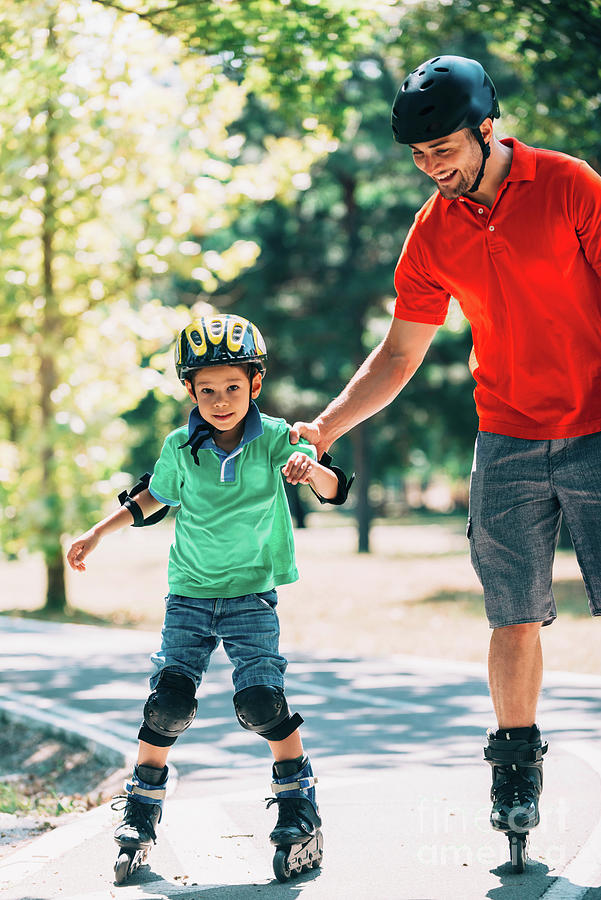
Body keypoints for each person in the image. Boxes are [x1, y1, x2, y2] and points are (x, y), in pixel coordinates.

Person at [291, 54, 601, 850]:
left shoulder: (569, 186)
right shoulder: (432, 232)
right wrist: (325, 427)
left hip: (597, 428)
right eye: (420, 158)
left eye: (445, 152)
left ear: (486, 130)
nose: (434, 169)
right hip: (505, 438)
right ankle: (515, 766)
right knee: (511, 614)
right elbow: (397, 357)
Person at [66, 313, 348, 883]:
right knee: (167, 703)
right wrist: (99, 531)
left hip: (250, 596)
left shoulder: (276, 440)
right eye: (208, 389)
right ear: (190, 391)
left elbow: (335, 488)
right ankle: (141, 812)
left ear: (255, 385)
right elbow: (152, 499)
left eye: (233, 388)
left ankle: (298, 805)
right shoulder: (179, 446)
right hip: (189, 595)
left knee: (261, 703)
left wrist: (310, 467)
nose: (221, 400)